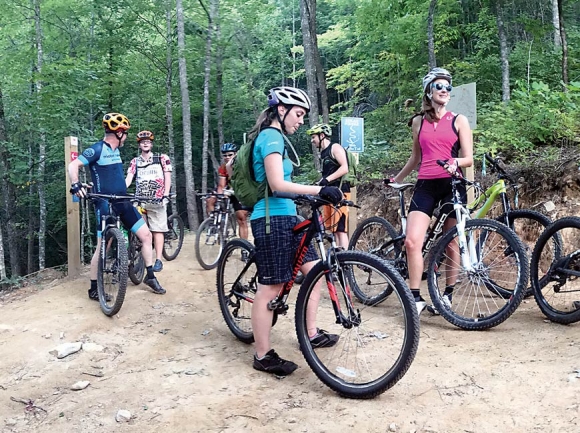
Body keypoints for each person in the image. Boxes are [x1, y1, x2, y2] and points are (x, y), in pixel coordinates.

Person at [248, 86, 343, 376]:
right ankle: (262, 355)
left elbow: (285, 186)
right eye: (298, 114)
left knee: (313, 273)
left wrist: (311, 195)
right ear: (281, 110)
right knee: (272, 287)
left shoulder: (277, 140)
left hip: (288, 216)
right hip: (270, 218)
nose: (301, 121)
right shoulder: (270, 138)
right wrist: (320, 189)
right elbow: (277, 186)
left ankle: (310, 333)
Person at [388, 67, 473, 315]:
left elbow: (468, 157)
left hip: (452, 184)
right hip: (425, 183)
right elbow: (415, 157)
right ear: (429, 90)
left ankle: (447, 294)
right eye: (440, 86)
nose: (445, 90)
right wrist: (397, 178)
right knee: (412, 241)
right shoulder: (418, 121)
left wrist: (455, 162)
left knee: (452, 243)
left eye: (448, 87)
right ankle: (414, 297)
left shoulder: (459, 120)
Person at [68, 113, 166, 298]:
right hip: (105, 203)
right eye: (126, 133)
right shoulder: (97, 149)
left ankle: (150, 275)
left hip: (122, 201)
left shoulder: (116, 151)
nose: (127, 137)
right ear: (119, 133)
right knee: (102, 247)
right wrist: (76, 184)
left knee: (146, 235)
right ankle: (94, 289)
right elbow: (73, 166)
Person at [125, 130, 172, 272]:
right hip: (140, 200)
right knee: (140, 231)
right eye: (142, 142)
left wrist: (165, 194)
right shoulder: (135, 161)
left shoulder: (162, 158)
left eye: (148, 142)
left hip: (157, 200)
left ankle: (158, 259)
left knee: (157, 230)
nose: (145, 144)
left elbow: (167, 177)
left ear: (151, 144)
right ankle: (138, 258)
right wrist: (120, 189)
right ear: (139, 145)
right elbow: (129, 178)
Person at [306, 123, 350, 249]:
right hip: (329, 193)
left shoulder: (335, 147)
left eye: (313, 137)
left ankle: (346, 259)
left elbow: (344, 167)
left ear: (322, 135)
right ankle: (338, 257)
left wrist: (327, 180)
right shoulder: (324, 152)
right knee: (333, 228)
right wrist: (321, 182)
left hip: (340, 192)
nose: (312, 140)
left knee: (341, 229)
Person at [205, 143, 250, 240]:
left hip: (240, 190)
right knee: (210, 200)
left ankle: (244, 248)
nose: (227, 157)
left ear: (235, 154)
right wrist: (220, 195)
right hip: (228, 189)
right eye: (225, 155)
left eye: (230, 155)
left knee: (241, 217)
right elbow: (221, 185)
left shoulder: (242, 165)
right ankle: (215, 224)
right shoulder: (223, 167)